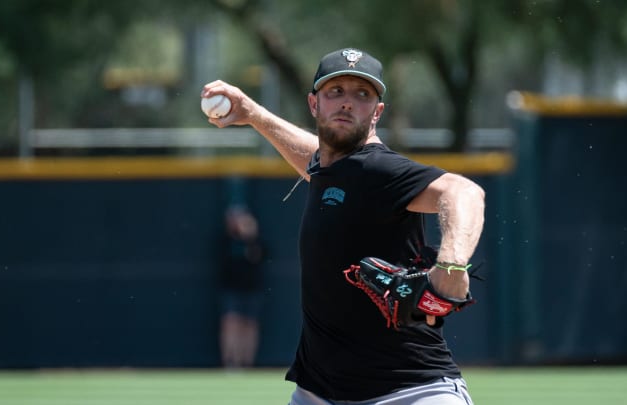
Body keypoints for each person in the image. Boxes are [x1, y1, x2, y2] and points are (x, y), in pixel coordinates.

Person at [202, 48, 485, 404]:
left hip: (409, 391)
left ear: (377, 112)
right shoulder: (331, 166)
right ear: (314, 104)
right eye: (335, 91)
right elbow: (314, 159)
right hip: (319, 394)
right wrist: (253, 113)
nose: (347, 103)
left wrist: (452, 263)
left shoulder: (379, 169)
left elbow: (464, 191)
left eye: (362, 94)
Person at [218, 204, 265, 369]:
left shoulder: (255, 240)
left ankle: (247, 363)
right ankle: (231, 362)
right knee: (231, 323)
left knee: (250, 325)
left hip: (252, 289)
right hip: (231, 288)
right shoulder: (225, 240)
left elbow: (258, 258)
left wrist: (250, 237)